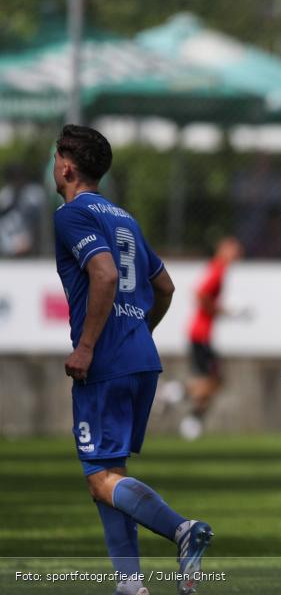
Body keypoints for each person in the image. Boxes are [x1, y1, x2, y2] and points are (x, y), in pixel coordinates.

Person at [52, 124, 213, 595]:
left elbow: (102, 274)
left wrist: (86, 346)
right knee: (107, 473)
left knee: (100, 476)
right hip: (140, 355)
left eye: (54, 157)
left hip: (104, 359)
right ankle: (130, 584)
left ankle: (183, 530)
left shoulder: (70, 216)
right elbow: (164, 287)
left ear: (66, 166)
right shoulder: (124, 219)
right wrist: (139, 332)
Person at [165, 237, 244, 441]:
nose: (237, 254)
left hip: (202, 335)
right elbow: (200, 294)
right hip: (200, 334)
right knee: (212, 381)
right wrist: (222, 310)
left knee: (214, 381)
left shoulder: (220, 270)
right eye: (233, 249)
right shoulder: (217, 270)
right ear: (222, 249)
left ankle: (189, 412)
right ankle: (178, 396)